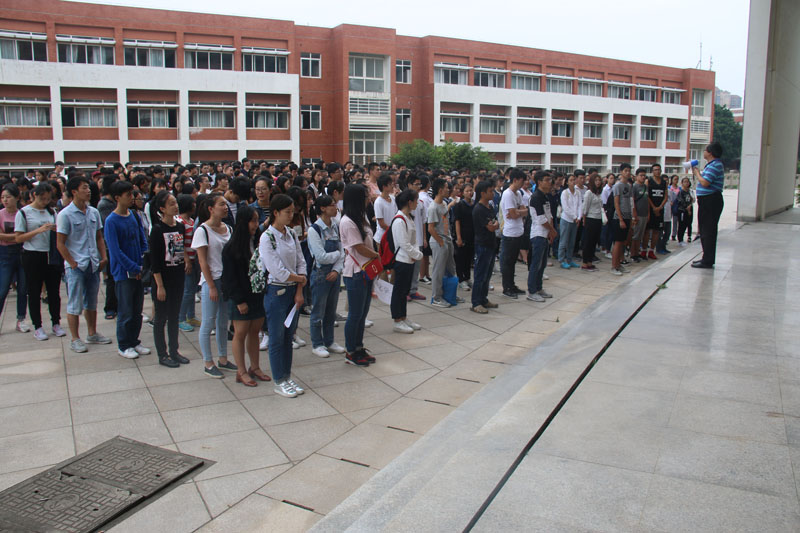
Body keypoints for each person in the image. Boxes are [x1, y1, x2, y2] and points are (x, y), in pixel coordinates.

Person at [56, 176, 112, 353]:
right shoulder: (65, 214)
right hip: (76, 266)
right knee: (74, 303)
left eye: (88, 188)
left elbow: (99, 237)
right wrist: (72, 263)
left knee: (91, 302)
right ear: (74, 191)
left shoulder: (93, 212)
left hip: (93, 264)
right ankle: (75, 338)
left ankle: (92, 333)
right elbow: (60, 243)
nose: (88, 191)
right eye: (84, 188)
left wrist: (103, 257)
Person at [260, 194, 307, 397]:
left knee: (288, 337)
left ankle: (287, 376)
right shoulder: (267, 237)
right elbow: (277, 270)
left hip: (293, 290)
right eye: (287, 212)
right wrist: (299, 279)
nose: (290, 215)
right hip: (276, 291)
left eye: (292, 211)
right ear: (276, 213)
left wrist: (299, 288)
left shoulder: (291, 234)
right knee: (277, 337)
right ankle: (279, 379)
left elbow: (301, 261)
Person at [222, 205, 270, 387]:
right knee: (240, 332)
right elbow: (230, 278)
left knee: (255, 331)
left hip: (257, 294)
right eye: (253, 221)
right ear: (243, 222)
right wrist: (239, 300)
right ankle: (241, 371)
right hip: (241, 296)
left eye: (257, 220)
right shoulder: (231, 248)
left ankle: (255, 367)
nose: (256, 225)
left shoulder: (258, 242)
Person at [191, 193, 237, 378]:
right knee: (208, 321)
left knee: (222, 321)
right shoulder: (202, 231)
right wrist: (210, 286)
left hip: (226, 281)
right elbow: (202, 262)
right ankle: (208, 362)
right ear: (210, 209)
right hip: (211, 280)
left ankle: (223, 358)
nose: (225, 208)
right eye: (221, 204)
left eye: (226, 204)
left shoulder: (228, 228)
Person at [104, 180, 150, 360]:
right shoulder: (111, 221)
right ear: (117, 198)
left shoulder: (133, 215)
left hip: (138, 269)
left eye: (133, 194)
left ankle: (134, 340)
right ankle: (124, 345)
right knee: (125, 310)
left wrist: (142, 260)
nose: (132, 198)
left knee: (137, 309)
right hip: (123, 273)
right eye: (128, 195)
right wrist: (133, 267)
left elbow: (142, 239)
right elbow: (115, 251)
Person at [15, 182, 65, 340]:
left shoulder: (52, 211)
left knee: (54, 291)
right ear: (34, 196)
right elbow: (18, 238)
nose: (45, 202)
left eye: (48, 199)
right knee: (34, 291)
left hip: (50, 254)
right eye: (42, 198)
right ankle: (38, 326)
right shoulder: (24, 213)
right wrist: (39, 230)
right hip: (32, 255)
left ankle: (56, 322)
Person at [149, 191, 189, 368]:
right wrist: (160, 285)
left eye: (175, 202)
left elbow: (181, 248)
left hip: (177, 277)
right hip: (163, 280)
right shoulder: (157, 230)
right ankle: (162, 354)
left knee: (174, 316)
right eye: (171, 204)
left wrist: (186, 260)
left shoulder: (179, 226)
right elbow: (155, 262)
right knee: (161, 317)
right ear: (162, 208)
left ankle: (174, 350)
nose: (175, 206)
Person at [340, 184, 379, 366]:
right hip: (356, 272)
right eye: (365, 196)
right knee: (355, 314)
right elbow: (358, 247)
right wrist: (377, 256)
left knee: (362, 313)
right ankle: (351, 351)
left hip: (367, 269)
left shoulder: (361, 217)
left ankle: (358, 346)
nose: (368, 199)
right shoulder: (347, 221)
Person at [307, 195, 345, 357]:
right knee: (318, 311)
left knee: (331, 310)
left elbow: (342, 251)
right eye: (332, 205)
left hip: (334, 274)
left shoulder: (335, 226)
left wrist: (336, 270)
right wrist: (337, 254)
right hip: (320, 274)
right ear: (322, 208)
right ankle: (317, 343)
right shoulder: (314, 230)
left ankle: (329, 341)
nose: (335, 207)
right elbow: (320, 256)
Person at [390, 189, 423, 333]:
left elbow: (413, 240)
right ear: (409, 202)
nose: (417, 203)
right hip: (402, 260)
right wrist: (418, 254)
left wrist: (415, 254)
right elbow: (403, 243)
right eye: (416, 200)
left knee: (404, 291)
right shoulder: (399, 220)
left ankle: (403, 317)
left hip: (410, 259)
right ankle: (397, 320)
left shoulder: (408, 217)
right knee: (399, 291)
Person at [0, 184, 29, 334]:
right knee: (3, 289)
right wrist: (18, 236)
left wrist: (15, 237)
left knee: (23, 289)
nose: (5, 200)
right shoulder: (1, 214)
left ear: (17, 198)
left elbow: (26, 235)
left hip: (22, 252)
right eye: (3, 197)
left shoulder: (22, 213)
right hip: (5, 253)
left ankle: (21, 319)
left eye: (8, 197)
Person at [691, 141, 725, 269]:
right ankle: (706, 257)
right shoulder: (711, 165)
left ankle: (708, 260)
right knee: (704, 230)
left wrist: (697, 174)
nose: (704, 152)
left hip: (711, 200)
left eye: (705, 150)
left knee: (708, 231)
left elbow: (705, 183)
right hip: (707, 201)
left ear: (710, 152)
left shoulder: (715, 165)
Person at [527, 171, 557, 302]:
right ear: (539, 182)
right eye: (547, 180)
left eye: (550, 180)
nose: (550, 182)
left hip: (545, 234)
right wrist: (552, 230)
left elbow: (549, 215)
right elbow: (540, 219)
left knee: (542, 264)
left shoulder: (545, 196)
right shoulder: (535, 197)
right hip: (538, 234)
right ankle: (532, 291)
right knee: (536, 264)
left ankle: (539, 288)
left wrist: (551, 231)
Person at [471, 179, 500, 314]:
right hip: (482, 245)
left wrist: (494, 225)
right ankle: (476, 302)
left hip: (491, 244)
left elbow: (496, 222)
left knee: (487, 275)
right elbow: (491, 227)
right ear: (482, 193)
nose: (492, 193)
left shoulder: (490, 207)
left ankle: (483, 299)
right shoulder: (479, 209)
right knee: (480, 275)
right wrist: (494, 225)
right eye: (490, 191)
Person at [427, 178, 457, 308]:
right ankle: (436, 297)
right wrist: (441, 242)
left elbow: (444, 216)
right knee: (438, 271)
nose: (448, 189)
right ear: (440, 190)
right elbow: (430, 228)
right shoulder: (433, 207)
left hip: (447, 239)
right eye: (446, 187)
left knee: (451, 269)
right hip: (439, 241)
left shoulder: (444, 203)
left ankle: (450, 293)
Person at [499, 169, 527, 297]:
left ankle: (512, 285)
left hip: (518, 231)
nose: (523, 184)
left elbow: (524, 211)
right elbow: (513, 214)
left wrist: (518, 212)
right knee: (507, 262)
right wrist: (518, 212)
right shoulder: (508, 194)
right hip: (510, 233)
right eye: (521, 181)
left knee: (513, 262)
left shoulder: (518, 193)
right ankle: (507, 288)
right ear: (515, 180)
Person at [177, 194, 200, 332]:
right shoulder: (180, 222)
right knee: (187, 290)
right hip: (187, 261)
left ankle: (191, 315)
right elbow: (180, 243)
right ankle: (181, 318)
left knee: (192, 289)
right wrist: (187, 260)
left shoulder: (191, 221)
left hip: (194, 259)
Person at [611, 164, 633, 276]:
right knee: (618, 242)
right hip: (619, 218)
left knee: (623, 242)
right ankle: (614, 266)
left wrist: (631, 217)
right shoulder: (617, 186)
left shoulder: (628, 186)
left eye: (629, 171)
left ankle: (619, 264)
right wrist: (620, 219)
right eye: (625, 170)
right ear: (621, 172)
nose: (627, 173)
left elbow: (630, 202)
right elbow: (616, 203)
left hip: (628, 216)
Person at [580, 173, 604, 272]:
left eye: (599, 180)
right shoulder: (588, 193)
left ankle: (590, 262)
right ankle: (585, 263)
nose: (598, 182)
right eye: (596, 180)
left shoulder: (598, 193)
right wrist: (584, 220)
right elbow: (585, 208)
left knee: (594, 241)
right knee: (588, 242)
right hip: (590, 219)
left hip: (598, 219)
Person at [454, 182, 475, 291]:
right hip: (462, 234)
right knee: (460, 258)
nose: (469, 193)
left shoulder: (474, 204)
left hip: (472, 235)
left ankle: (467, 277)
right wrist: (459, 237)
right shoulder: (459, 205)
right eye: (467, 191)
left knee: (468, 258)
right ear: (462, 193)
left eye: (471, 190)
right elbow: (457, 222)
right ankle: (461, 279)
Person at [644, 163, 667, 260]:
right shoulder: (648, 181)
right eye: (655, 170)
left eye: (659, 169)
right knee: (647, 231)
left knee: (656, 231)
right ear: (652, 171)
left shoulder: (664, 182)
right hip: (650, 209)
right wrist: (653, 207)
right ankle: (644, 250)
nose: (657, 171)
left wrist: (660, 207)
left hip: (660, 210)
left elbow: (666, 196)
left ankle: (651, 251)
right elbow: (647, 196)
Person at [557, 175, 580, 269]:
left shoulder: (577, 192)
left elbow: (580, 205)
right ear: (567, 182)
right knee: (563, 241)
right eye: (571, 180)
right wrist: (574, 217)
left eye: (574, 180)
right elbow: (565, 208)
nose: (573, 182)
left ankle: (570, 259)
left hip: (575, 220)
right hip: (566, 219)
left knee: (572, 241)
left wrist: (579, 217)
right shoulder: (564, 193)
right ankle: (561, 260)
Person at [630, 168, 649, 263]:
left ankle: (637, 253)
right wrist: (634, 215)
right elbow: (632, 201)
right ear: (636, 176)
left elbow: (647, 201)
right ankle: (633, 254)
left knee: (640, 236)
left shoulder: (645, 187)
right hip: (637, 215)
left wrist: (648, 213)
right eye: (641, 175)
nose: (643, 177)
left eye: (644, 175)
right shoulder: (634, 187)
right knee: (635, 236)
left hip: (645, 214)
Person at [676, 177, 695, 245]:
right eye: (685, 182)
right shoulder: (681, 192)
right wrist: (687, 207)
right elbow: (681, 201)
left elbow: (692, 200)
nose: (686, 183)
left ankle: (688, 236)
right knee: (682, 225)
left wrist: (690, 206)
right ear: (682, 183)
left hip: (689, 209)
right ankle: (680, 240)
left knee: (689, 223)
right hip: (682, 210)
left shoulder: (690, 192)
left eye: (687, 182)